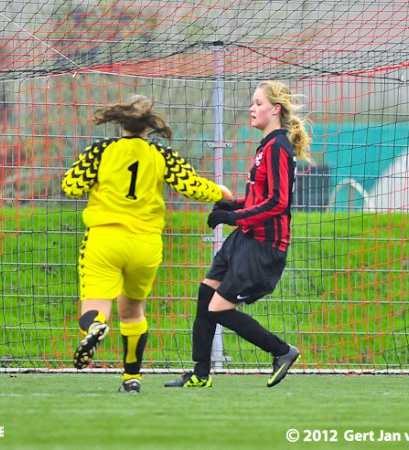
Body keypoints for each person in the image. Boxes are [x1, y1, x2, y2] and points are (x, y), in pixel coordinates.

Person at [61, 94, 233, 394]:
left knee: (96, 305)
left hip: (105, 239)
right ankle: (131, 378)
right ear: (148, 125)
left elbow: (71, 186)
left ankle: (96, 327)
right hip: (145, 244)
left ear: (121, 122)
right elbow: (190, 185)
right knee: (133, 311)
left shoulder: (101, 151)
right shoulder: (161, 154)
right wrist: (219, 192)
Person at [165, 81, 311, 388]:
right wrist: (234, 205)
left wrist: (232, 216)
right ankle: (200, 373)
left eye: (258, 103)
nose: (252, 108)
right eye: (252, 103)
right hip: (245, 238)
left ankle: (282, 351)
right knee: (206, 294)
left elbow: (278, 203)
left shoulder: (278, 148)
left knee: (219, 307)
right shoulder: (267, 147)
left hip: (263, 245)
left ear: (276, 110)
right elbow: (261, 198)